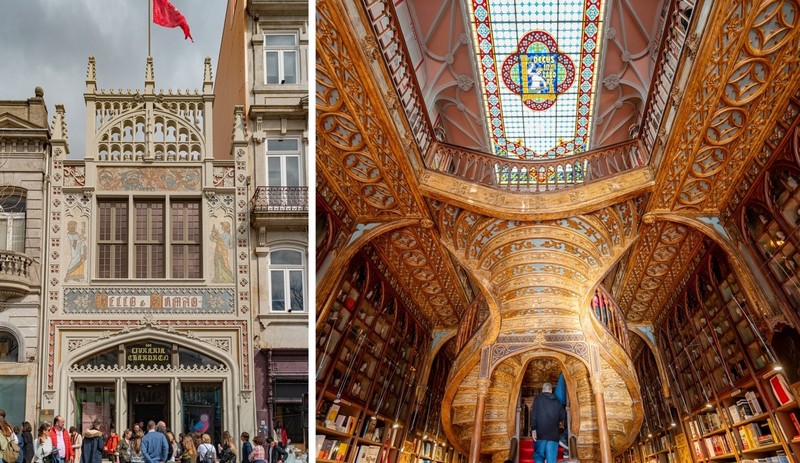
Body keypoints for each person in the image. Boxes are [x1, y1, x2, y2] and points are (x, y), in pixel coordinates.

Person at [530, 382, 565, 463]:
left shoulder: (538, 399)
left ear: (542, 390)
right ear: (551, 390)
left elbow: (534, 415)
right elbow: (562, 416)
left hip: (540, 434)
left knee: (539, 458)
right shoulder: (557, 401)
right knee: (551, 460)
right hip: (553, 435)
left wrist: (533, 429)